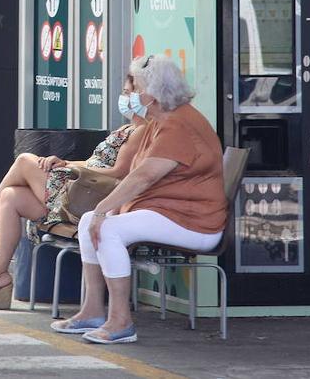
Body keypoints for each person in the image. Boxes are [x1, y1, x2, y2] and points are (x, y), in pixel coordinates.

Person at [54, 54, 226, 344]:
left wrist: (103, 211)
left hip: (195, 222)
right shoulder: (159, 122)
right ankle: (93, 310)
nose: (130, 96)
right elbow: (136, 176)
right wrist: (102, 213)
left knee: (105, 226)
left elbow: (143, 177)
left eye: (134, 88)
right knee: (87, 223)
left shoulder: (178, 126)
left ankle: (120, 321)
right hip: (166, 212)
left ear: (153, 93)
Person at [0, 74, 151, 309]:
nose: (124, 98)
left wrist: (73, 169)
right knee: (11, 196)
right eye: (124, 92)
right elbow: (96, 164)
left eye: (129, 93)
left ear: (145, 96)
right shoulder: (128, 128)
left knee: (25, 161)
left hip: (92, 199)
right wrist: (65, 162)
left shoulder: (141, 132)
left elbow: (118, 174)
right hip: (83, 189)